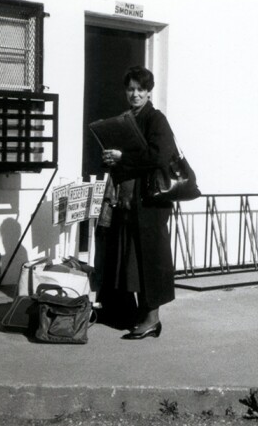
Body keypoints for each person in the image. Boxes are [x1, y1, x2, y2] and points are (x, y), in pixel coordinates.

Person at [96, 65, 176, 340]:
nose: (135, 94)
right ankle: (134, 314)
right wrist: (109, 159)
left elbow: (159, 157)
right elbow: (124, 162)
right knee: (131, 261)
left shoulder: (156, 120)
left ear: (149, 92)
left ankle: (152, 320)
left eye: (141, 89)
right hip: (129, 202)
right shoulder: (125, 119)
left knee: (150, 261)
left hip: (151, 204)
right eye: (130, 89)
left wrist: (123, 158)